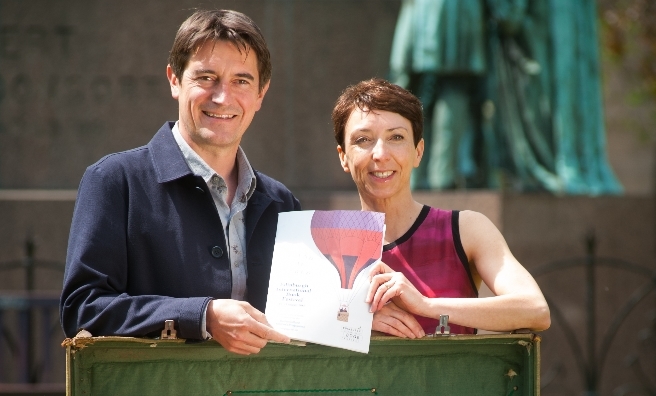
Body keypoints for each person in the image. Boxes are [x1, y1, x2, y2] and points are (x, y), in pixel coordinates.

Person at [60, 9, 300, 355]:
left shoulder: (282, 202)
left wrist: (356, 318)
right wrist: (201, 316)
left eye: (241, 81)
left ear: (261, 93)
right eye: (206, 78)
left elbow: (301, 320)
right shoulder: (114, 181)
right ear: (174, 80)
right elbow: (82, 309)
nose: (222, 97)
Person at [331, 78, 550, 337]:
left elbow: (535, 310)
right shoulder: (323, 247)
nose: (380, 154)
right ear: (343, 156)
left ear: (419, 151)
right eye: (363, 139)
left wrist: (426, 305)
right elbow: (289, 326)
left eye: (396, 137)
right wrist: (349, 317)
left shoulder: (465, 229)